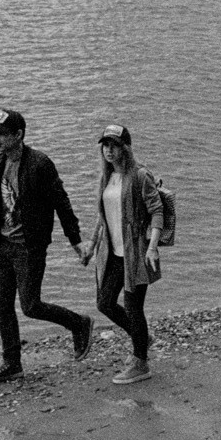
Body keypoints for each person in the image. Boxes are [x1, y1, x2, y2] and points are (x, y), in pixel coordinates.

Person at [0, 110, 94, 383]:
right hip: (3, 245)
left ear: (18, 135)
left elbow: (62, 203)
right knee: (2, 305)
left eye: (1, 134)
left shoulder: (40, 164)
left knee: (30, 306)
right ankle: (12, 364)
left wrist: (75, 241)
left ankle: (79, 323)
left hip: (29, 247)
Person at [88, 124, 164, 386]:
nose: (109, 150)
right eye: (105, 146)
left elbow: (156, 210)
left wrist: (152, 247)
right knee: (104, 303)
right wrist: (91, 245)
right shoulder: (107, 176)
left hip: (137, 252)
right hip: (112, 252)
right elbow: (103, 217)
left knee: (133, 307)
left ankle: (140, 363)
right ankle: (141, 338)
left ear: (126, 148)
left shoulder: (140, 175)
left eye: (115, 145)